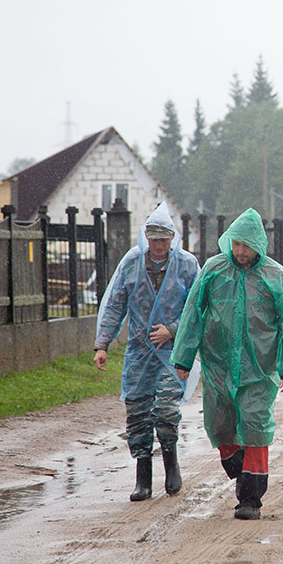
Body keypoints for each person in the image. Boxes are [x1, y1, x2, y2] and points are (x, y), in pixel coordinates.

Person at [170, 208, 283, 520]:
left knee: (254, 426)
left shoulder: (275, 276)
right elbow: (193, 313)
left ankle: (250, 499)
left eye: (245, 246)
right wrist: (183, 356)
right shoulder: (213, 269)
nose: (239, 251)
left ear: (258, 246)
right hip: (217, 365)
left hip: (259, 368)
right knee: (221, 426)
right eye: (235, 244)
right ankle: (239, 468)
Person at [94, 202, 199, 502]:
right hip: (139, 353)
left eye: (164, 239)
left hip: (171, 354)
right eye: (153, 239)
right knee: (138, 414)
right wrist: (102, 344)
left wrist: (173, 330)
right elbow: (115, 304)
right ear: (145, 238)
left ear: (172, 239)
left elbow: (198, 308)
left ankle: (171, 462)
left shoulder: (187, 265)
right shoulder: (131, 263)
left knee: (166, 409)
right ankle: (143, 478)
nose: (159, 245)